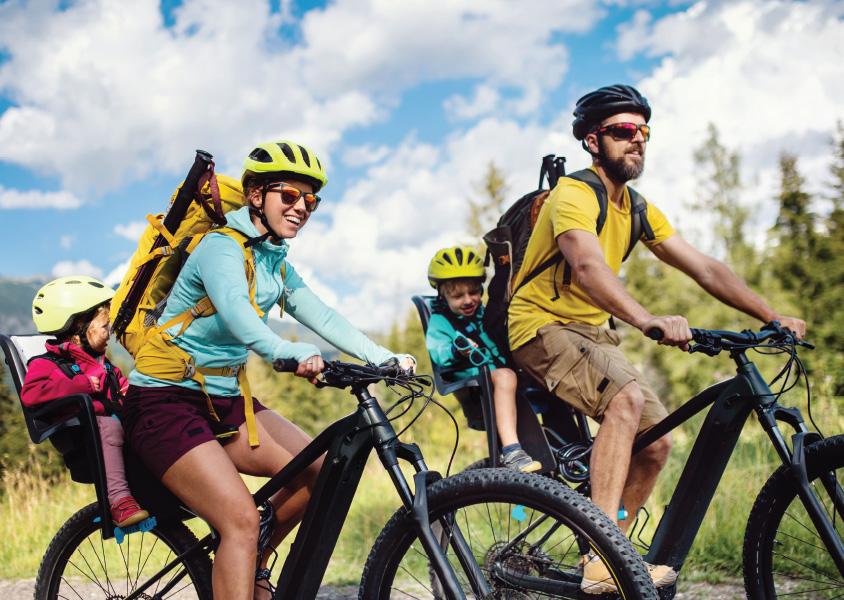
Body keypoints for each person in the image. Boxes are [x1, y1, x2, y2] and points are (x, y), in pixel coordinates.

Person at [507, 84, 806, 594]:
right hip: (540, 326)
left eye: (643, 132)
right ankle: (604, 560)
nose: (637, 140)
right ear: (592, 141)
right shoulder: (574, 194)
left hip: (593, 334)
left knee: (656, 442)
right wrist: (647, 318)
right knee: (624, 400)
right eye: (624, 131)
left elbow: (705, 268)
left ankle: (608, 558)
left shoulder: (638, 207)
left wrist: (771, 313)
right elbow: (585, 265)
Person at [122, 140, 414, 600]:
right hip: (164, 403)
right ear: (255, 195)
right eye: (290, 196)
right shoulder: (220, 248)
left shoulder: (273, 257)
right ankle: (240, 548)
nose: (302, 207)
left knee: (321, 470)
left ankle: (248, 560)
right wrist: (289, 352)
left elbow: (322, 315)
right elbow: (238, 314)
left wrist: (383, 357)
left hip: (223, 402)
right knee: (238, 518)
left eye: (311, 200)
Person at [23, 276, 150, 528]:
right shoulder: (45, 365)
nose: (110, 334)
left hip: (119, 432)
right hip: (86, 439)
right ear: (79, 327)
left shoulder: (105, 365)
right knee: (109, 425)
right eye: (105, 326)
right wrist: (78, 385)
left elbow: (123, 390)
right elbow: (31, 394)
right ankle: (119, 501)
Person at [425, 245, 541, 473]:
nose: (468, 300)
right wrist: (457, 350)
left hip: (503, 378)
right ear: (443, 295)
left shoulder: (484, 314)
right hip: (476, 387)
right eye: (458, 296)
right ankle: (512, 451)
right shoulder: (440, 322)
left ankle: (567, 445)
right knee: (506, 376)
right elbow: (438, 352)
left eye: (474, 292)